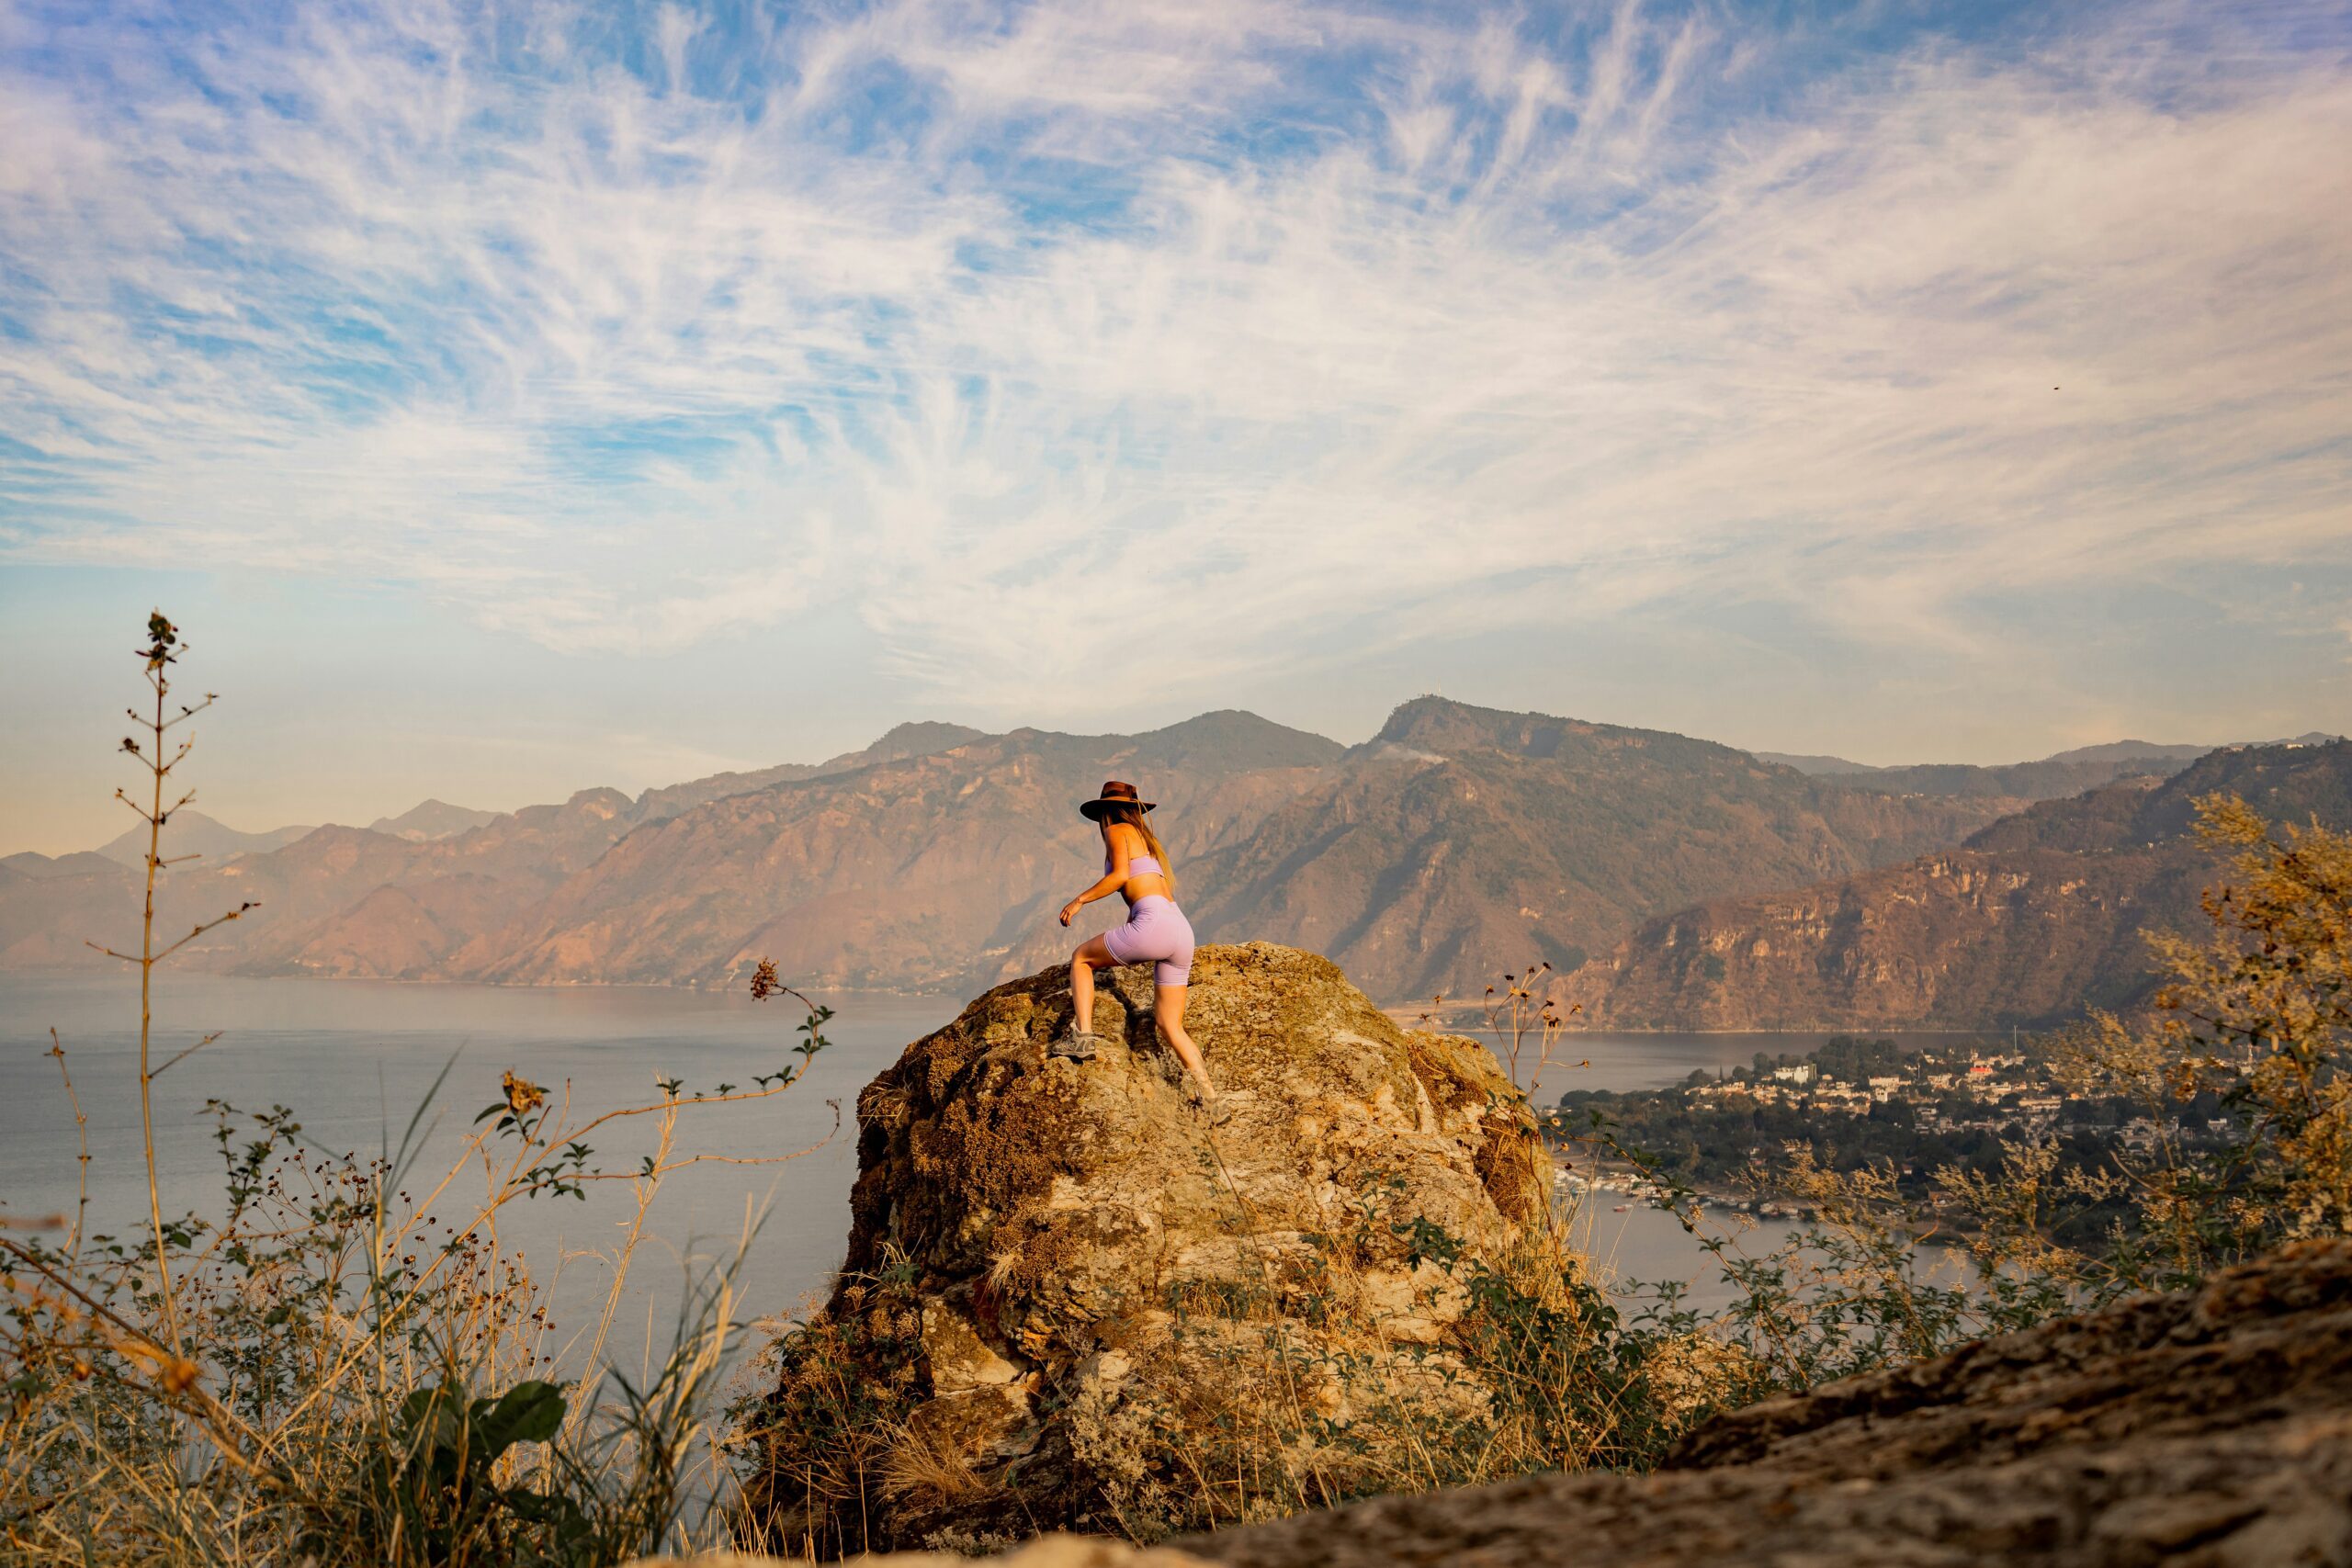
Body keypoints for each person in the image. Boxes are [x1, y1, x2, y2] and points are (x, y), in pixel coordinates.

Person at [1054, 779, 1219, 1113]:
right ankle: (1212, 1100)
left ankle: (1082, 1037)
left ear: (1106, 812)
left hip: (1153, 923)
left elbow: (1118, 877)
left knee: (1082, 959)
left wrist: (1079, 900)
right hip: (1181, 931)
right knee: (1170, 1024)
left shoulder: (1117, 832)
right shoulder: (1146, 840)